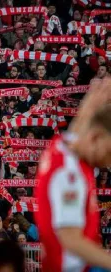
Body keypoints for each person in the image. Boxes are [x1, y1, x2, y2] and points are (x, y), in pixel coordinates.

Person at [35, 77, 111, 271]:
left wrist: (90, 105)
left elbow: (79, 129)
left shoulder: (61, 147)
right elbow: (71, 240)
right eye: (109, 152)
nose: (108, 161)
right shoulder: (70, 175)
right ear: (96, 137)